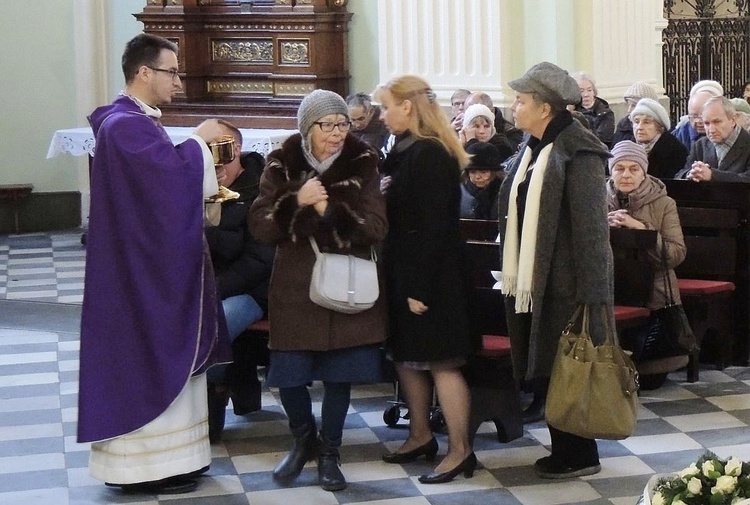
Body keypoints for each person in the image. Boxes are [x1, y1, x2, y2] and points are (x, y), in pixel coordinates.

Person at [77, 33, 231, 494]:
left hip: (149, 264)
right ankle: (146, 468)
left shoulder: (133, 122)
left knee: (168, 356)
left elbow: (158, 187)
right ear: (144, 72)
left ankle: (178, 460)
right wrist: (201, 143)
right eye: (172, 71)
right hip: (140, 276)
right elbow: (165, 185)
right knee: (152, 355)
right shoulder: (124, 125)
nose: (179, 81)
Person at [248, 89, 387, 492]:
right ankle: (302, 436)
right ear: (307, 128)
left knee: (340, 375)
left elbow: (376, 227)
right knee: (288, 374)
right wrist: (298, 200)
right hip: (296, 288)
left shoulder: (363, 162)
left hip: (346, 285)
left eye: (343, 123)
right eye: (327, 125)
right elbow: (261, 226)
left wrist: (328, 211)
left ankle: (329, 452)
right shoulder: (281, 162)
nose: (337, 133)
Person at [498, 62, 613, 478]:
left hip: (567, 282)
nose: (514, 108)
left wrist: (594, 294)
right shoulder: (533, 148)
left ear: (545, 108)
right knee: (549, 362)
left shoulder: (577, 150)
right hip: (535, 278)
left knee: (569, 365)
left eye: (521, 101)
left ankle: (581, 452)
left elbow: (591, 228)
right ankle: (566, 447)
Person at [375, 75, 477, 484]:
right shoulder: (403, 150)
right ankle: (420, 435)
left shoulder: (429, 154)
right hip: (405, 268)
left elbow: (436, 227)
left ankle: (460, 450)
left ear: (408, 107)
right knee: (407, 356)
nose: (382, 115)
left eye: (386, 107)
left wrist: (420, 287)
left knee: (441, 361)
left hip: (432, 275)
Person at [204, 120, 276, 443]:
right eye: (206, 152)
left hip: (254, 292)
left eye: (219, 152)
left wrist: (213, 289)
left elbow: (260, 262)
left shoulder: (260, 191)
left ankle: (211, 402)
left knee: (212, 326)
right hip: (209, 287)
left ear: (235, 151)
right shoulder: (198, 187)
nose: (214, 162)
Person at [606, 141, 689, 389]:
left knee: (650, 378)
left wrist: (642, 230)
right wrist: (602, 226)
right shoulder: (596, 199)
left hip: (653, 293)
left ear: (644, 172)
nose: (627, 175)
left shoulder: (664, 203)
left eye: (634, 169)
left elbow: (675, 254)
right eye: (619, 168)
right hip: (609, 288)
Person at [677, 96, 750, 182]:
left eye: (717, 122)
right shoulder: (700, 145)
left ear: (733, 120)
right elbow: (680, 175)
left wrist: (712, 175)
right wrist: (690, 174)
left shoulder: (747, 143)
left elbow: (747, 180)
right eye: (707, 123)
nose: (711, 130)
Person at [629, 98, 688, 179]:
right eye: (636, 121)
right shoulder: (629, 149)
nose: (639, 127)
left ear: (660, 127)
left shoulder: (675, 151)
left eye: (646, 122)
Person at [672, 79, 724, 150]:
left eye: (702, 116)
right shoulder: (680, 135)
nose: (698, 121)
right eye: (694, 116)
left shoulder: (725, 132)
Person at [460, 141, 504, 219]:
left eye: (483, 172)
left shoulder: (504, 193)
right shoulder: (460, 192)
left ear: (494, 173)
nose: (477, 177)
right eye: (472, 172)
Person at [573, 71, 615, 147]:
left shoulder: (605, 113)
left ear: (594, 92)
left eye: (589, 90)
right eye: (581, 91)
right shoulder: (572, 111)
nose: (586, 94)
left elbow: (603, 141)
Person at [612, 81, 659, 145]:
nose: (629, 110)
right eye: (628, 105)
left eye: (634, 105)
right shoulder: (623, 124)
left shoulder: (659, 128)